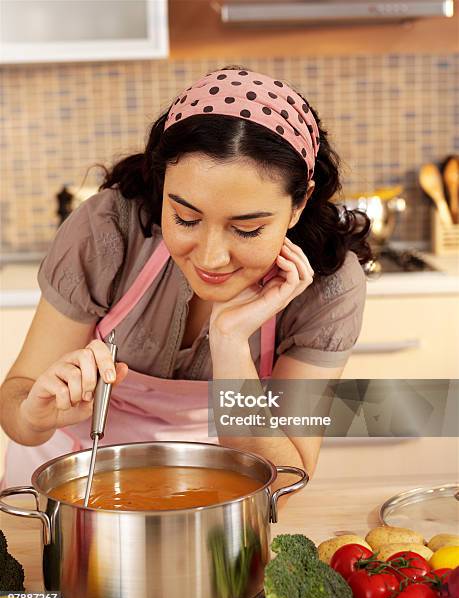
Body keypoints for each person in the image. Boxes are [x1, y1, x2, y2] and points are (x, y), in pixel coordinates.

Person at [0, 65, 371, 490]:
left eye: (247, 228)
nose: (211, 258)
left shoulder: (329, 284)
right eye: (185, 217)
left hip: (207, 493)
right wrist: (33, 414)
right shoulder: (109, 228)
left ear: (299, 203)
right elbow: (17, 397)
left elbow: (282, 485)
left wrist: (231, 342)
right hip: (62, 485)